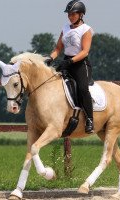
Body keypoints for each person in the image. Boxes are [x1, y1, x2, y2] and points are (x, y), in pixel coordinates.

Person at [45, 0, 94, 133]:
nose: (70, 16)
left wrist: (71, 62)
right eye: (69, 14)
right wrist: (50, 58)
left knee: (83, 89)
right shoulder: (65, 28)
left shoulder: (86, 30)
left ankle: (90, 119)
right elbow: (58, 48)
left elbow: (85, 51)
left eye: (73, 14)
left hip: (80, 64)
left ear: (81, 15)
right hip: (66, 62)